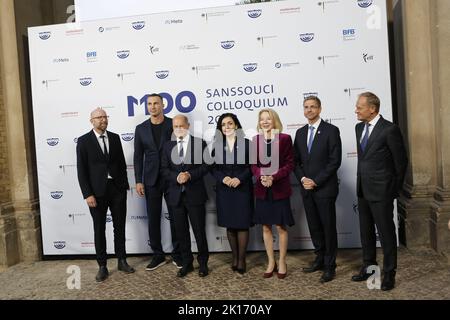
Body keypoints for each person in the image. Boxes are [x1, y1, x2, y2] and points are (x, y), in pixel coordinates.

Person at [351, 92, 408, 291]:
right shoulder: (359, 128)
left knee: (386, 234)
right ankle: (369, 267)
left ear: (372, 108)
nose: (356, 110)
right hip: (363, 190)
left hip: (382, 191)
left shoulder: (389, 129)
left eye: (359, 107)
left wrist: (392, 190)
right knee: (366, 232)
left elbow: (401, 163)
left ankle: (389, 273)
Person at [76, 107, 135, 282]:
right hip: (96, 192)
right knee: (99, 228)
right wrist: (88, 194)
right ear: (91, 120)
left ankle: (122, 260)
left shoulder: (115, 138)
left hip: (117, 189)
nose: (103, 119)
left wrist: (124, 186)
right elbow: (82, 170)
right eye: (99, 117)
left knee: (119, 227)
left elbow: (122, 164)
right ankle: (102, 265)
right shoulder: (84, 141)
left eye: (105, 116)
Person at [293, 96, 342, 283]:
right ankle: (320, 259)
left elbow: (334, 161)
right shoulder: (300, 133)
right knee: (314, 226)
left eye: (313, 107)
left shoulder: (331, 130)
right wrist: (304, 179)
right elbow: (295, 161)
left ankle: (330, 266)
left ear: (320, 109)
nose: (309, 110)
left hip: (324, 188)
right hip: (306, 188)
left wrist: (316, 181)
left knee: (328, 227)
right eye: (306, 107)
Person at [133, 94, 181, 271]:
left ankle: (178, 253)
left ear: (163, 105)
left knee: (176, 216)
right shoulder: (141, 129)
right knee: (153, 218)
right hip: (150, 179)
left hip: (171, 177)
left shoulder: (172, 124)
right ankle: (158, 255)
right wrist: (138, 180)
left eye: (156, 103)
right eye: (149, 104)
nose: (152, 107)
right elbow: (138, 157)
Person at [160, 115, 210, 278]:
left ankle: (203, 263)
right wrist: (176, 177)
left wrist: (189, 174)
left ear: (188, 126)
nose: (179, 128)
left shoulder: (199, 143)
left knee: (199, 231)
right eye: (175, 126)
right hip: (175, 196)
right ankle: (187, 263)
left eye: (181, 125)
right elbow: (163, 169)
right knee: (181, 232)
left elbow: (206, 166)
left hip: (195, 194)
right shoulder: (167, 146)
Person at [251, 109, 295, 279]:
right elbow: (253, 165)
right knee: (266, 227)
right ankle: (271, 261)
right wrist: (262, 176)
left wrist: (273, 177)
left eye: (268, 118)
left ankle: (282, 261)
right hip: (262, 190)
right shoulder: (255, 140)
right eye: (262, 119)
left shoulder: (284, 139)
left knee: (280, 227)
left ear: (274, 120)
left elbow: (290, 164)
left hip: (279, 189)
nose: (265, 122)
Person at [212, 113, 254, 274]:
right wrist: (223, 178)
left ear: (236, 125)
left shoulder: (247, 144)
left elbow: (252, 167)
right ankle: (235, 257)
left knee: (242, 224)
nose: (227, 127)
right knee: (230, 226)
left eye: (230, 124)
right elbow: (212, 168)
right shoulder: (216, 146)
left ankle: (242, 259)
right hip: (225, 190)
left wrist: (240, 178)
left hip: (242, 189)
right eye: (223, 125)